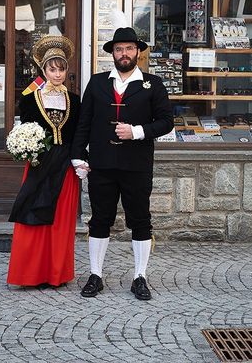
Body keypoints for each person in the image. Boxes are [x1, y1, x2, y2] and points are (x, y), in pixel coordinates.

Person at [70, 27, 174, 300]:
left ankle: (139, 277)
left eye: (129, 48)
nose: (124, 53)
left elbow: (166, 122)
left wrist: (136, 131)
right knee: (99, 220)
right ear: (112, 54)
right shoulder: (97, 83)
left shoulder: (153, 84)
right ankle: (95, 275)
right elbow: (84, 123)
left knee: (140, 220)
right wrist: (79, 156)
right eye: (118, 49)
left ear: (138, 52)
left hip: (136, 164)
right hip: (102, 163)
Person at [7, 35, 82, 288]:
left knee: (60, 221)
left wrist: (81, 160)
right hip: (40, 165)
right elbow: (24, 129)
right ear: (44, 70)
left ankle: (55, 274)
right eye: (52, 69)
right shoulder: (29, 99)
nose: (57, 74)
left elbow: (78, 134)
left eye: (61, 69)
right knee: (33, 217)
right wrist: (27, 148)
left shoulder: (75, 100)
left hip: (66, 169)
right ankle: (29, 275)